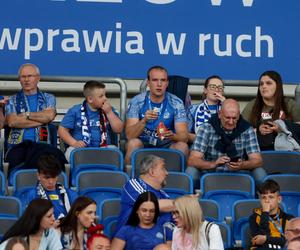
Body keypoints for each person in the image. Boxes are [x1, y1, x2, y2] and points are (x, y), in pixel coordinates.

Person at [187, 99, 265, 187]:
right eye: (227, 118)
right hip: (211, 172)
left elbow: (257, 160)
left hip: (239, 173)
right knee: (191, 172)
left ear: (239, 115)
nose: (231, 122)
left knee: (260, 173)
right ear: (220, 114)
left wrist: (242, 165)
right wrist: (214, 164)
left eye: (234, 118)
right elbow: (192, 160)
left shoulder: (247, 129)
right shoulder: (206, 128)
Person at [125, 65, 188, 164]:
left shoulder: (176, 102)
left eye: (163, 80)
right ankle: (130, 178)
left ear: (167, 83)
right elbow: (129, 136)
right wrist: (144, 121)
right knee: (133, 143)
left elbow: (184, 137)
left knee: (182, 146)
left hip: (166, 143)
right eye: (155, 80)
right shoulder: (136, 101)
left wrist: (173, 136)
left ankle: (179, 179)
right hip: (143, 143)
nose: (159, 84)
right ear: (148, 83)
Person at [58, 80, 124, 161]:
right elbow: (62, 130)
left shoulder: (109, 110)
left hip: (104, 148)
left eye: (105, 95)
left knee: (115, 153)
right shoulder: (75, 111)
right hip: (81, 149)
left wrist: (109, 113)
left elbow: (119, 129)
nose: (105, 98)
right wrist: (74, 143)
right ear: (90, 99)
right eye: (101, 96)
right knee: (70, 153)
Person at [242, 70, 300, 151]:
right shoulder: (252, 105)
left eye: (268, 83)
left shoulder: (289, 104)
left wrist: (282, 128)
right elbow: (240, 130)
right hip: (259, 152)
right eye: (261, 84)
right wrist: (258, 130)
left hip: (287, 153)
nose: (264, 86)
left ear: (278, 86)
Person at [116, 155, 174, 233]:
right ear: (152, 172)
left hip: (158, 241)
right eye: (163, 168)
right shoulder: (134, 184)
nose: (167, 173)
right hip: (130, 240)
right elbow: (150, 204)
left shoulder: (164, 195)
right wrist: (185, 203)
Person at [23, 153, 77, 223]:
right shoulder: (32, 196)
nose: (51, 181)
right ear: (38, 176)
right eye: (46, 177)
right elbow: (28, 223)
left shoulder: (71, 195)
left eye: (54, 177)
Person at [249, 179, 294, 249]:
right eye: (264, 197)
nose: (267, 200)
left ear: (279, 199)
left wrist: (267, 239)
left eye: (271, 197)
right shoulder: (254, 218)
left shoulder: (289, 219)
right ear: (260, 200)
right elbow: (260, 240)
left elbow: (290, 241)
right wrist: (265, 213)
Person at [187, 75, 225, 143]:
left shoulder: (228, 109)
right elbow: (185, 134)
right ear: (205, 90)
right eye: (212, 87)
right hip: (199, 147)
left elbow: (238, 130)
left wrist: (226, 104)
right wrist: (204, 139)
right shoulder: (193, 109)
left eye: (220, 88)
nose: (216, 90)